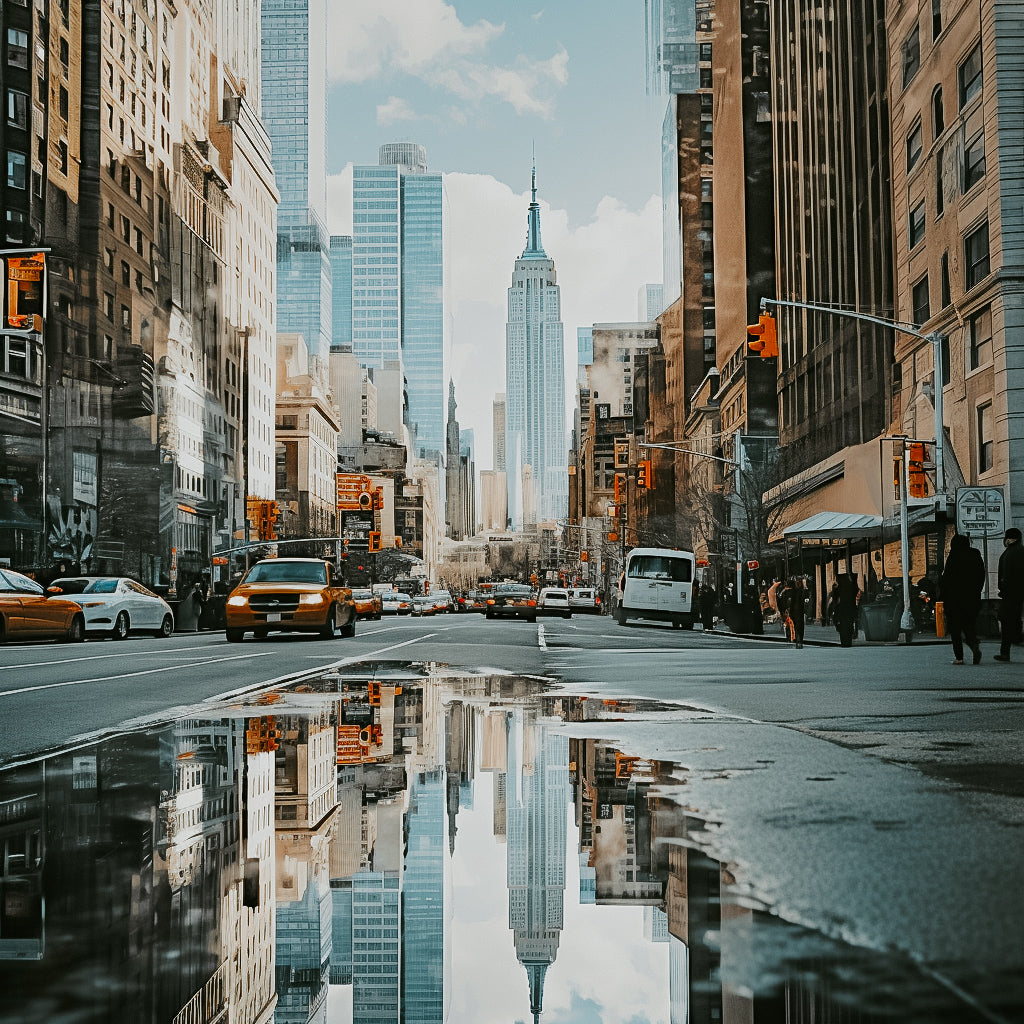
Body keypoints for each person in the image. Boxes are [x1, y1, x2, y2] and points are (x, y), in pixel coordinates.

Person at [939, 534, 985, 665]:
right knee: (969, 626)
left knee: (955, 630)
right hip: (971, 599)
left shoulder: (954, 556)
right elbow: (981, 576)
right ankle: (974, 647)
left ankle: (959, 657)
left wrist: (943, 596)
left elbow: (946, 579)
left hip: (954, 600)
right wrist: (976, 592)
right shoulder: (975, 555)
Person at [995, 526, 1024, 662]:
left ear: (1009, 539)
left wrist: (1003, 589)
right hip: (1018, 593)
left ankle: (1005, 652)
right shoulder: (1021, 551)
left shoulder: (1009, 553)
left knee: (1006, 622)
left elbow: (1006, 576)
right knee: (1014, 621)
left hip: (1010, 594)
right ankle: (1013, 642)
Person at [836, 573, 860, 647]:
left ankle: (845, 642)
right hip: (849, 607)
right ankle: (847, 641)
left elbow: (836, 598)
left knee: (844, 627)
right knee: (848, 625)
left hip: (843, 608)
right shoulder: (851, 586)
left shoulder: (840, 588)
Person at [789, 577, 807, 648]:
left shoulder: (800, 591)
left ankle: (799, 639)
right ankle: (798, 639)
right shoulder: (795, 591)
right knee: (797, 625)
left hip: (798, 610)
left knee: (799, 626)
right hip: (796, 610)